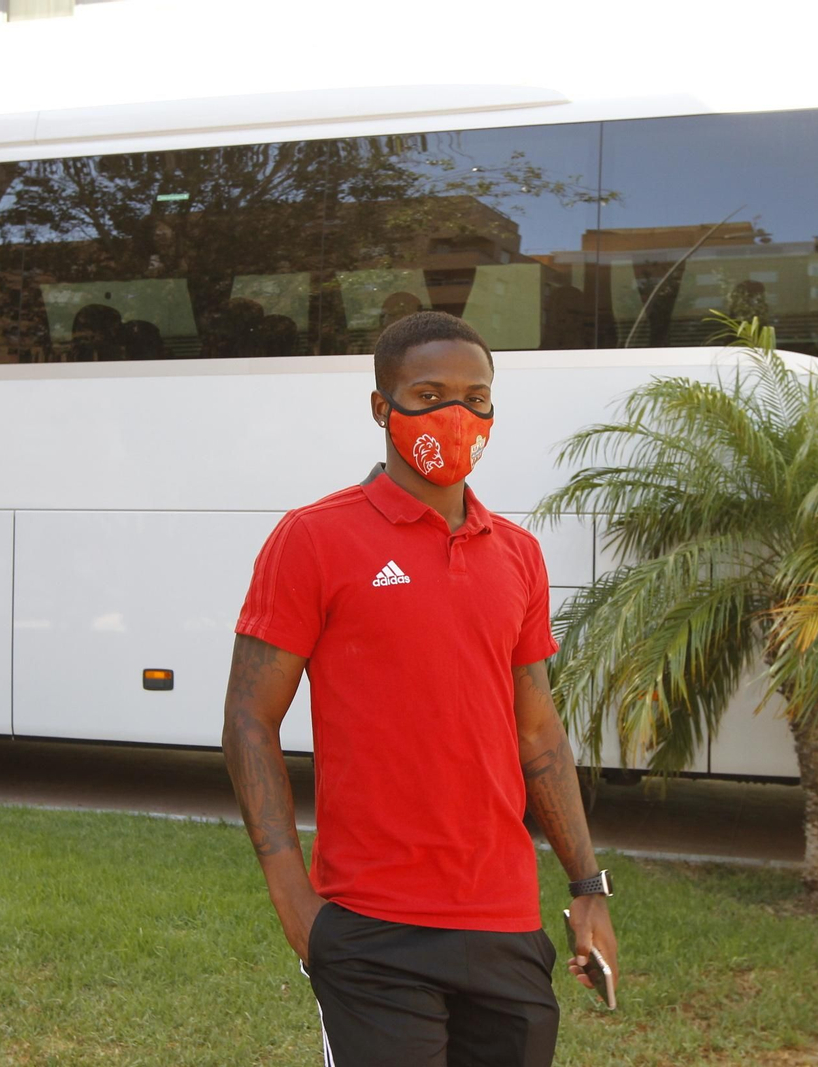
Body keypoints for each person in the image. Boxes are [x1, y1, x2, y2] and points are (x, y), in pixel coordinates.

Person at [222, 310, 620, 1066]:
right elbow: (248, 719)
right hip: (374, 929)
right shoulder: (312, 538)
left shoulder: (519, 556)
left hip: (505, 926)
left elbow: (538, 733)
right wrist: (292, 898)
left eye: (476, 397)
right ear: (382, 407)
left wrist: (587, 886)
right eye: (430, 392)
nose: (456, 415)